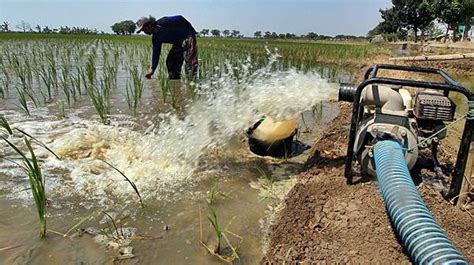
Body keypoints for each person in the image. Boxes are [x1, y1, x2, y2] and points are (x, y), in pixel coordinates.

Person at [136, 15, 198, 80]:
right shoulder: (156, 38)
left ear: (149, 25)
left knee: (190, 63)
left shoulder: (163, 22)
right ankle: (175, 82)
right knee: (171, 62)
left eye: (144, 29)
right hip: (177, 43)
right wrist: (152, 69)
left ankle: (192, 83)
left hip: (187, 36)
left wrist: (191, 31)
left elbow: (179, 18)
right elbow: (156, 54)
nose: (144, 32)